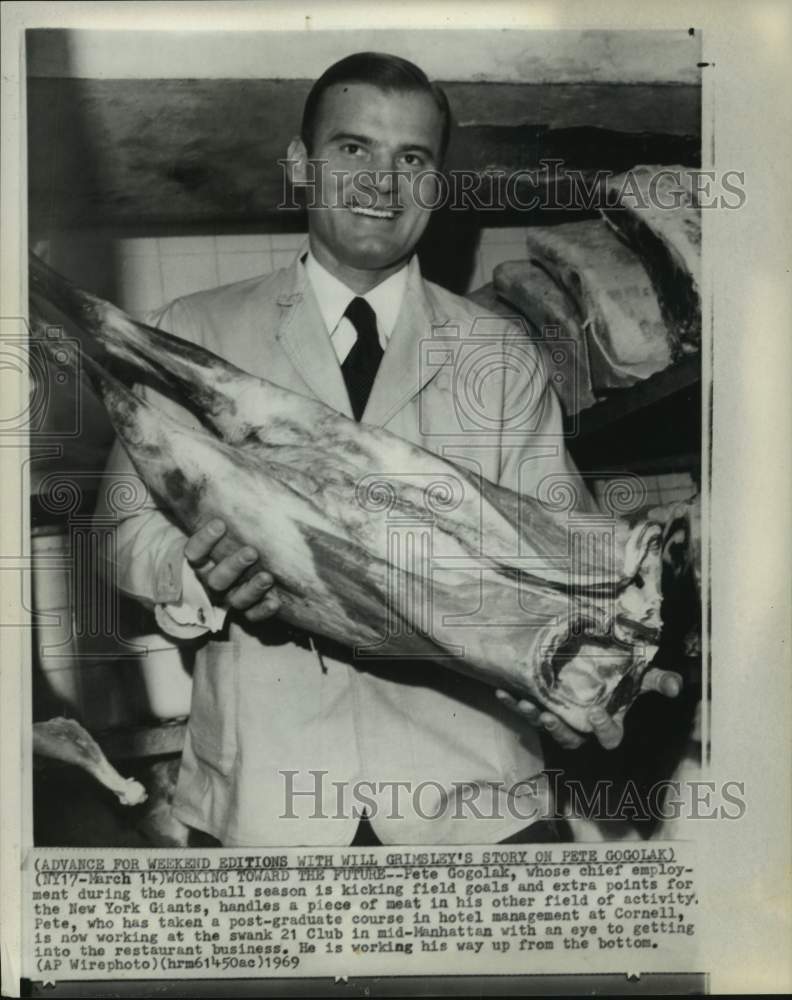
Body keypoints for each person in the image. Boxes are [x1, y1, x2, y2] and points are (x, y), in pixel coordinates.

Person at [98, 52, 681, 847]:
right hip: (265, 803)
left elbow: (566, 555)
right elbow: (120, 529)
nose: (384, 181)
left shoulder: (501, 352)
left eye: (413, 158)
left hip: (473, 807)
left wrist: (602, 675)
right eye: (353, 150)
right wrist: (191, 566)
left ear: (437, 185)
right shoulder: (189, 331)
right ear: (302, 168)